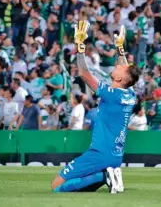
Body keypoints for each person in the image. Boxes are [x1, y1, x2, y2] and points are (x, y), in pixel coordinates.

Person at [51, 22, 139, 194]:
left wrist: (80, 47)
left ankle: (104, 176)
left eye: (120, 67)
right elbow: (128, 74)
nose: (118, 65)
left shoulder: (111, 93)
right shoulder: (129, 94)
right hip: (115, 156)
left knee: (56, 187)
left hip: (99, 154)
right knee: (84, 183)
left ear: (120, 79)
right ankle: (108, 174)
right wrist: (120, 49)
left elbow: (84, 73)